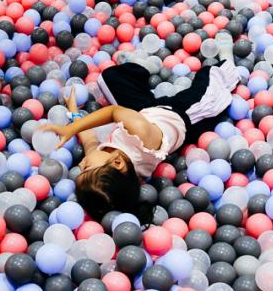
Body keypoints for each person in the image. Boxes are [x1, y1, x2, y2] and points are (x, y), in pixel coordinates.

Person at [38, 59, 239, 223]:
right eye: (86, 167)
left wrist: (73, 113)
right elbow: (114, 112)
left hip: (144, 111)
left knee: (109, 77)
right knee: (211, 81)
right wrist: (72, 129)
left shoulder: (107, 162)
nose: (81, 164)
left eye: (82, 169)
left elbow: (88, 137)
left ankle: (144, 71)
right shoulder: (143, 138)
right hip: (183, 114)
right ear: (117, 163)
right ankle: (227, 60)